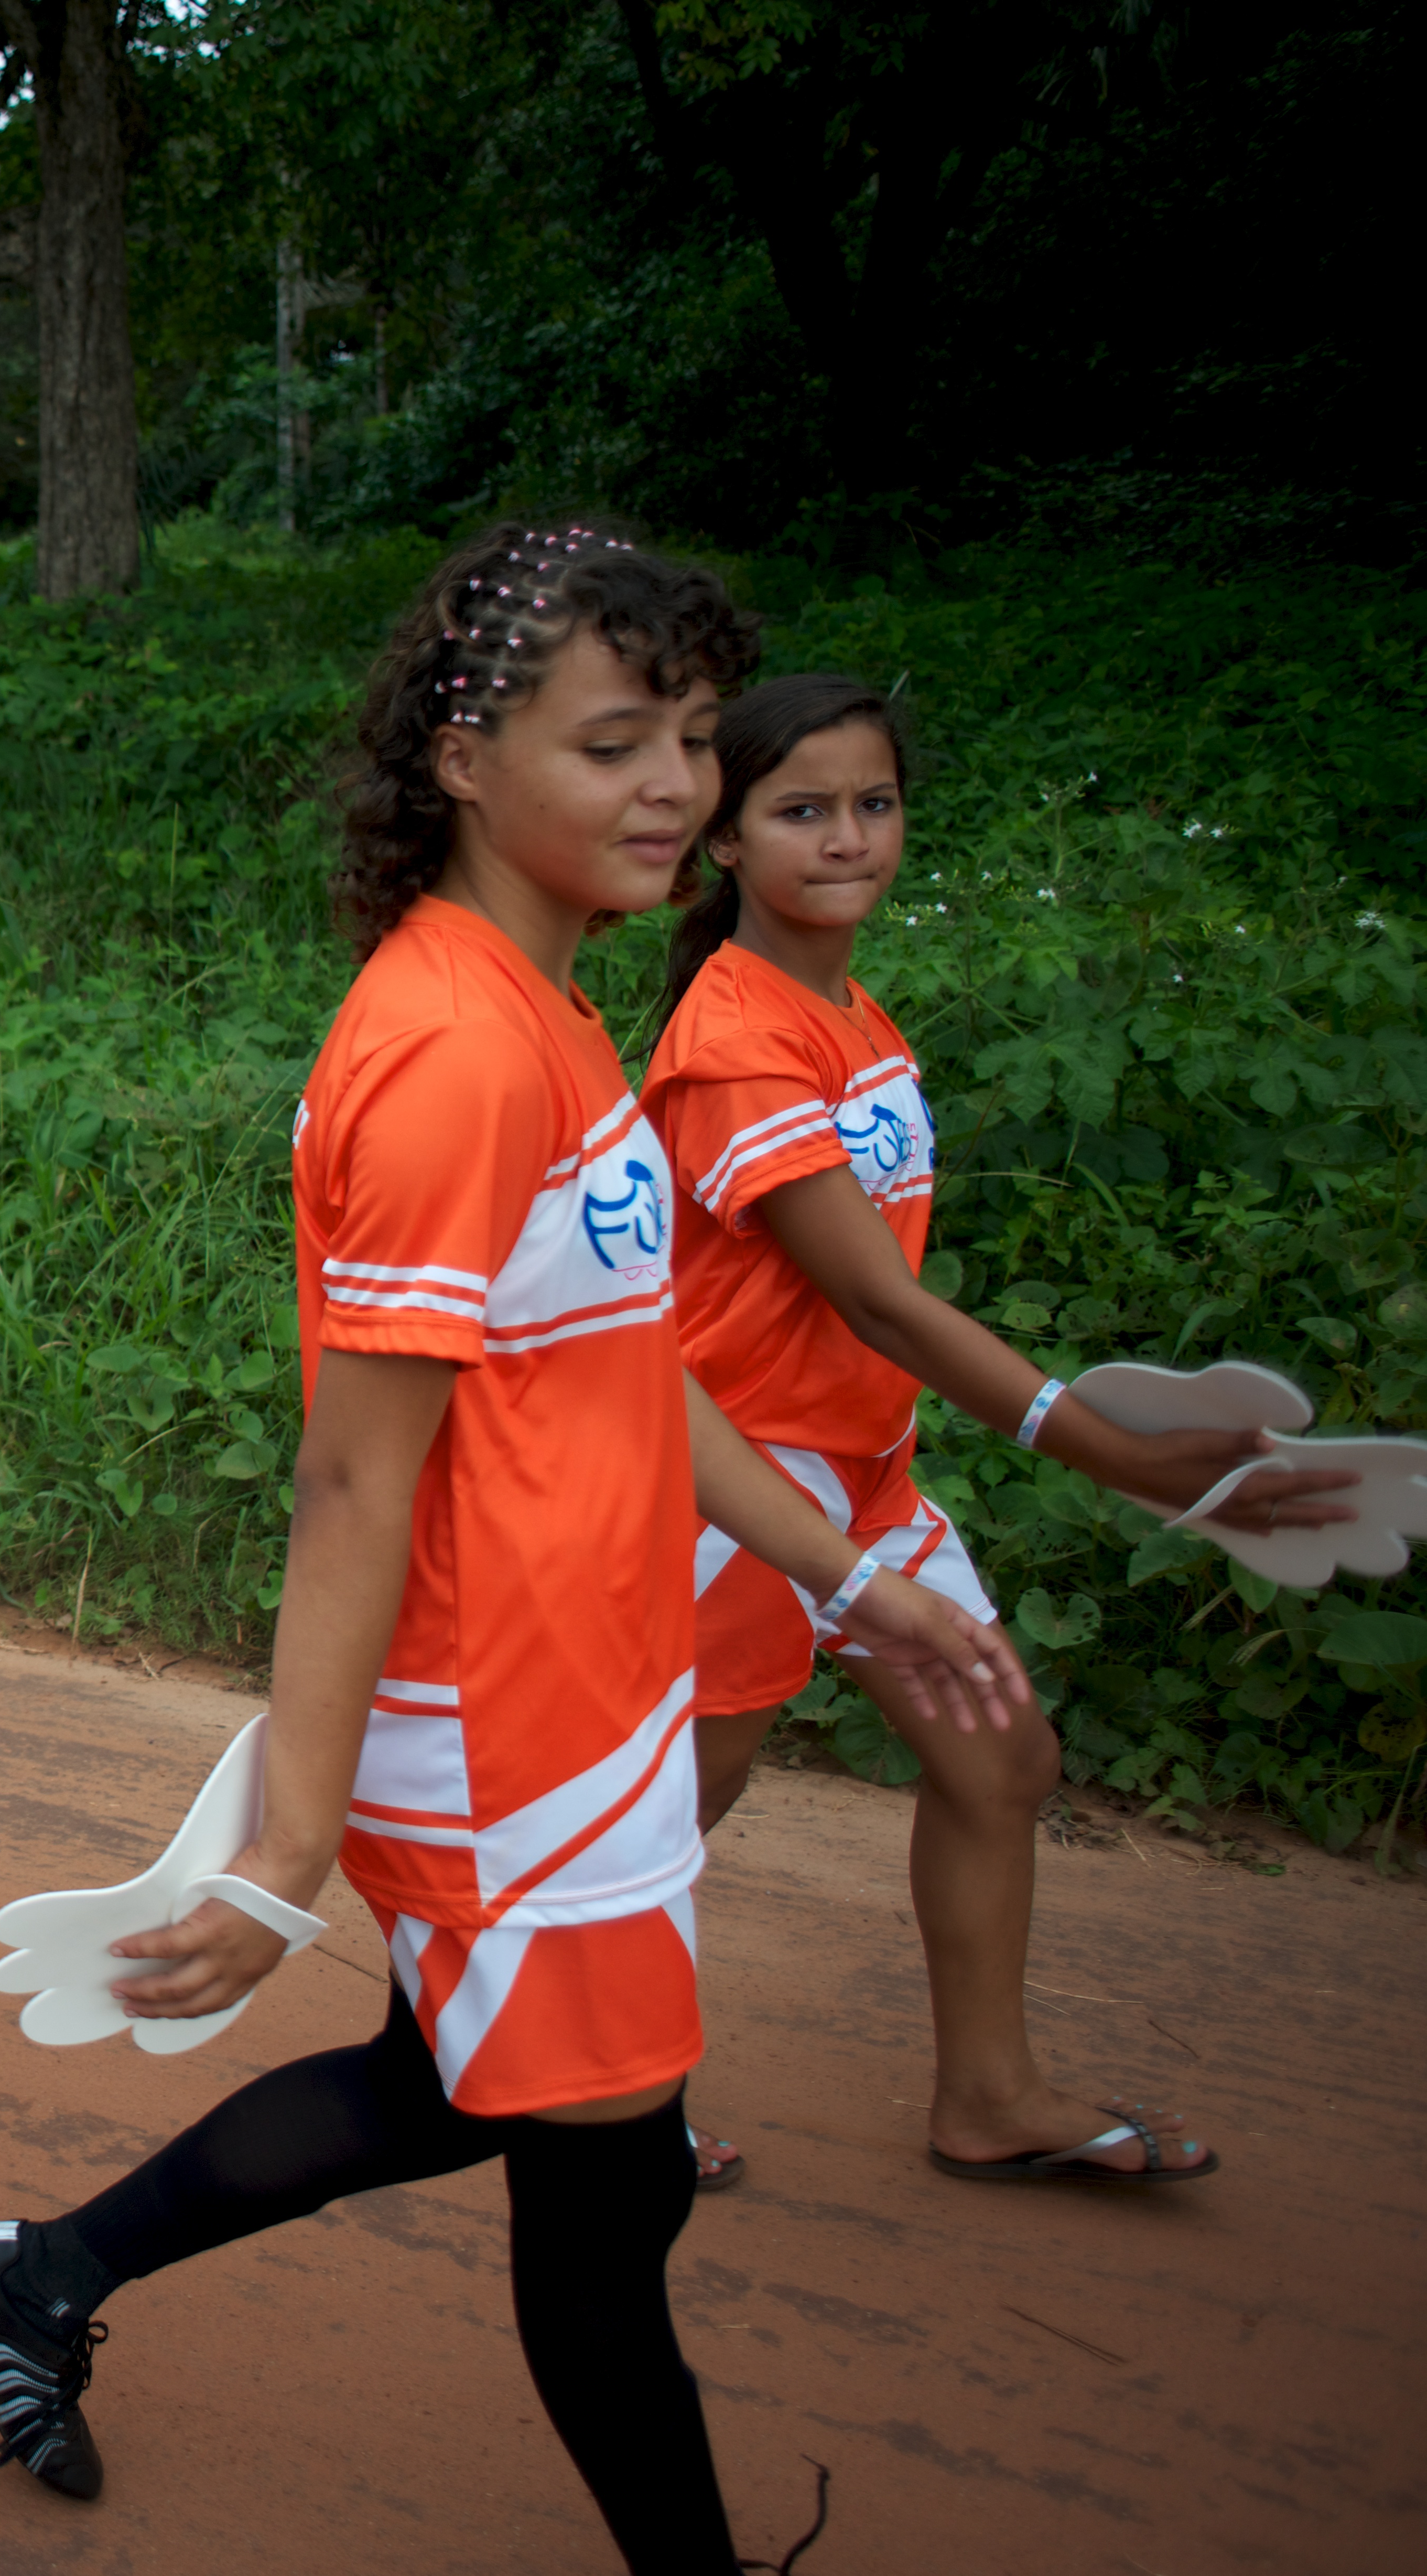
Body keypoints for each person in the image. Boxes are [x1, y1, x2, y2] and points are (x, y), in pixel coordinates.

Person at [0, 526, 1035, 2569]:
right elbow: (355, 1480)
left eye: (691, 736)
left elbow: (637, 1374)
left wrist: (849, 1578)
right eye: (613, 744)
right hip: (503, 1735)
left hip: (602, 1695)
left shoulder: (558, 1010)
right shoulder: (442, 1052)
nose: (675, 787)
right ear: (459, 751)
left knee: (454, 2084)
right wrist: (282, 1846)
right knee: (608, 2211)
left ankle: (34, 2271)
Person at [643, 671, 1343, 2191]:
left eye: (874, 804)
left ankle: (991, 2098)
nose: (847, 838)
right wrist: (1118, 1450)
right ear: (723, 841)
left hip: (864, 1473)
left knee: (1001, 1763)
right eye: (803, 810)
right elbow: (882, 1302)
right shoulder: (735, 1042)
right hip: (734, 1489)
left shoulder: (844, 1005)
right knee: (670, 1813)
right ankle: (604, 2109)